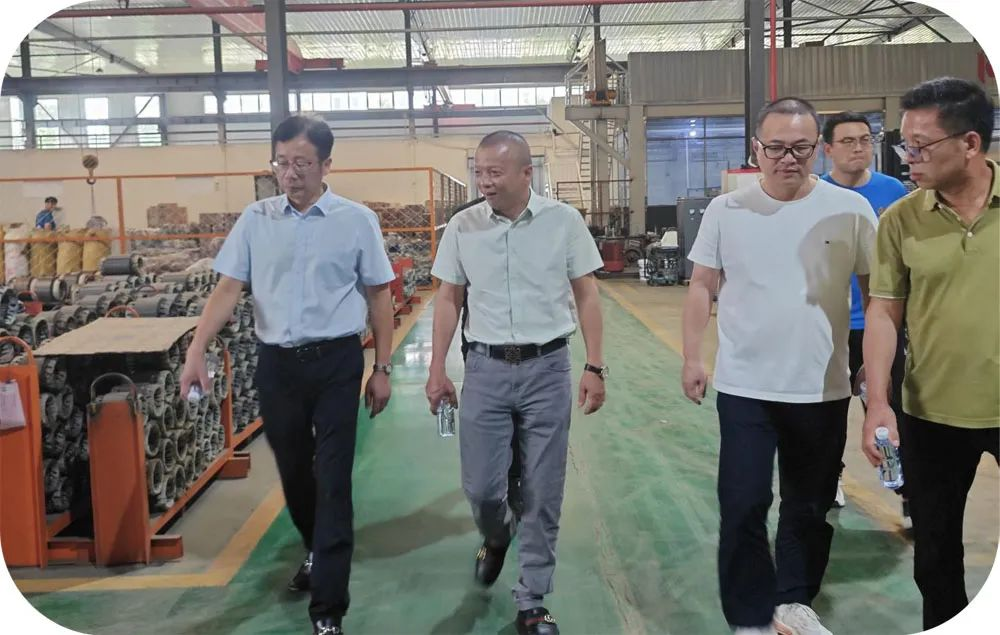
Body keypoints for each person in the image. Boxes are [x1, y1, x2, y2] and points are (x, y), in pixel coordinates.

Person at [180, 115, 396, 635]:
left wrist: (382, 367)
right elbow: (228, 288)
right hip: (276, 365)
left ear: (326, 165)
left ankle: (328, 610)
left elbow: (379, 295)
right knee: (296, 473)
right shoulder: (256, 220)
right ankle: (316, 547)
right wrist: (196, 350)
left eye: (302, 163)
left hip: (337, 363)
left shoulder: (356, 220)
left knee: (334, 480)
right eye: (282, 163)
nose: (291, 173)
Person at [681, 97, 878, 635]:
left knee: (809, 505)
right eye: (776, 148)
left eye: (800, 148)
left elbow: (875, 295)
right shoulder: (727, 210)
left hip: (822, 387)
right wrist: (692, 355)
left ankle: (793, 600)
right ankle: (748, 616)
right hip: (745, 386)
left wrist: (872, 367)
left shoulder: (850, 210)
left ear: (818, 149)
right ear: (756, 149)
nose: (788, 158)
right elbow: (701, 285)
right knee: (743, 502)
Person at [426, 130, 607, 635]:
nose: (484, 181)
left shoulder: (563, 221)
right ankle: (497, 534)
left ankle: (532, 598)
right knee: (483, 489)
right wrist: (437, 368)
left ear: (527, 173)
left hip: (547, 369)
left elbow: (587, 294)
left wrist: (595, 365)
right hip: (485, 370)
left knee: (543, 490)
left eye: (495, 172)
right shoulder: (462, 226)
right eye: (479, 172)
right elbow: (448, 299)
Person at [862, 77, 999, 632]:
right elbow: (883, 312)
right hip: (931, 413)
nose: (908, 158)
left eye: (920, 146)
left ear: (970, 143)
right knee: (936, 555)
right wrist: (877, 401)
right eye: (905, 146)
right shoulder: (901, 220)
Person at [819, 111, 910, 524]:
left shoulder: (894, 191)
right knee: (829, 412)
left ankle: (908, 491)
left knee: (894, 408)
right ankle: (830, 477)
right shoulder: (817, 196)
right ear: (828, 149)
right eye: (848, 141)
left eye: (864, 139)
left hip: (884, 323)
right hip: (832, 327)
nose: (858, 148)